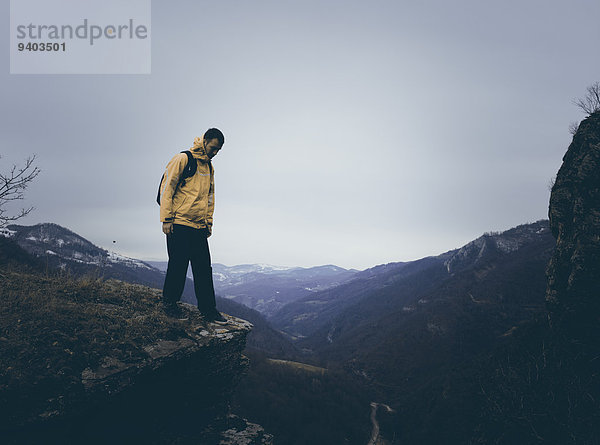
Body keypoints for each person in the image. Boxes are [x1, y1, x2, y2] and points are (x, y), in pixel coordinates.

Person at [158, 128, 227, 323]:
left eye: (218, 150)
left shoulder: (209, 167)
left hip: (198, 227)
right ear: (204, 141)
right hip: (178, 223)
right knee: (178, 266)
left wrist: (208, 224)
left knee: (204, 269)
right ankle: (169, 304)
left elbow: (209, 198)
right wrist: (166, 219)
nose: (214, 153)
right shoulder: (183, 159)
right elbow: (167, 188)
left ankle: (208, 310)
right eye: (213, 148)